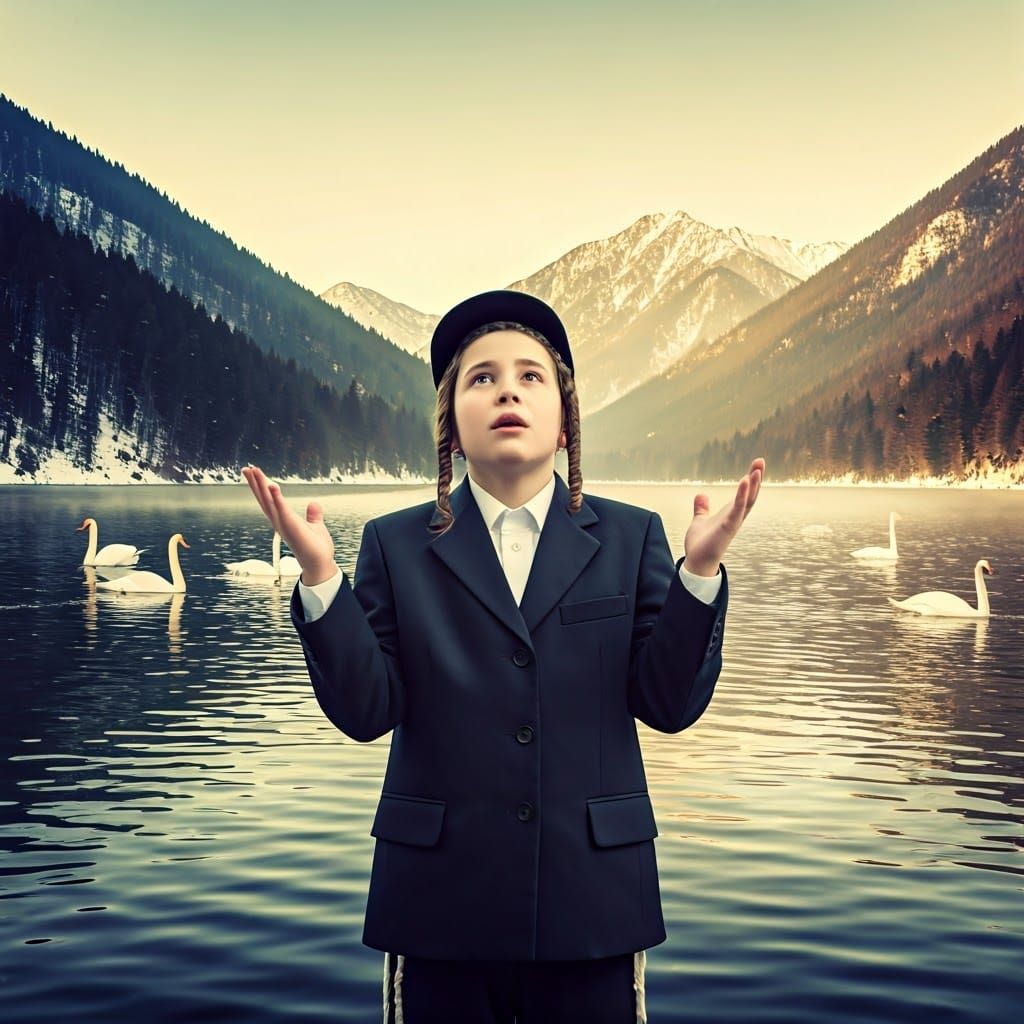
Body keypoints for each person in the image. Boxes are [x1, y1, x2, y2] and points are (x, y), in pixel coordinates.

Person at [243, 289, 764, 1023]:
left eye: (531, 376)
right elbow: (366, 712)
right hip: (437, 907)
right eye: (480, 378)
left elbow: (670, 705)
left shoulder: (632, 537)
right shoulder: (396, 545)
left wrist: (698, 578)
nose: (507, 390)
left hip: (594, 906)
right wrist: (322, 579)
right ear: (451, 426)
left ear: (564, 425)